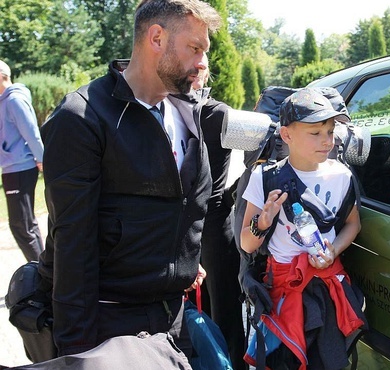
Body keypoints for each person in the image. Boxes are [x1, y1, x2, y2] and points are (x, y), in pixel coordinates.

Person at [37, 0, 221, 359]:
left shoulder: (189, 111)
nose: (202, 62)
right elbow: (72, 248)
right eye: (195, 48)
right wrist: (77, 353)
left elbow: (189, 207)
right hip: (112, 326)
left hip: (175, 319)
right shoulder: (82, 117)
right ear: (156, 38)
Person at [240, 88, 367, 369]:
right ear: (287, 135)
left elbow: (352, 223)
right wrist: (262, 222)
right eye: (315, 133)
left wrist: (334, 250)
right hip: (284, 292)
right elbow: (247, 244)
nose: (327, 141)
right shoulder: (265, 178)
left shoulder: (343, 176)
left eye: (331, 132)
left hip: (327, 288)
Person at [190, 56, 246, 370]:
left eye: (201, 67)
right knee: (192, 314)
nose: (195, 72)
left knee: (224, 313)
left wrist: (230, 195)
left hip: (214, 228)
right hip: (179, 229)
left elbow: (263, 155)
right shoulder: (165, 111)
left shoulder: (218, 113)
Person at [0, 59, 45, 262]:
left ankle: (42, 278)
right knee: (26, 224)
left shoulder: (14, 100)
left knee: (21, 225)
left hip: (20, 167)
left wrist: (42, 158)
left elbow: (31, 132)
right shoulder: (5, 101)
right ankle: (46, 272)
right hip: (11, 168)